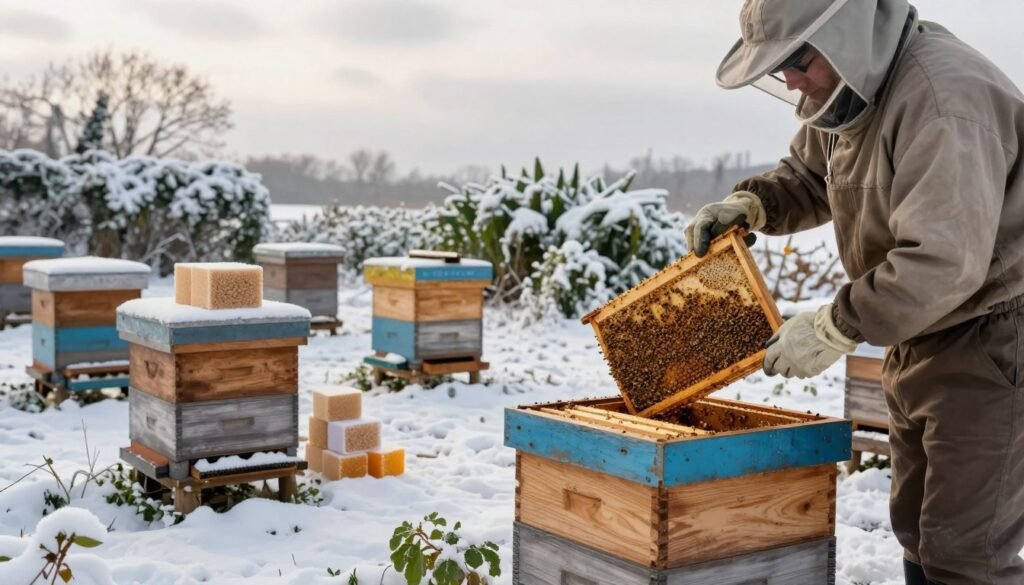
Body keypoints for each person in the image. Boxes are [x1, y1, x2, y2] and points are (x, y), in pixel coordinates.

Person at [684, 1, 1024, 584]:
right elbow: (810, 175)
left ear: (845, 37)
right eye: (778, 66)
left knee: (967, 552)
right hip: (920, 333)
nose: (790, 80)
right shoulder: (851, 87)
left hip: (990, 335)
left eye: (796, 59)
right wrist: (756, 202)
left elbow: (944, 261)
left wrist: (836, 323)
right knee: (919, 529)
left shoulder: (943, 100)